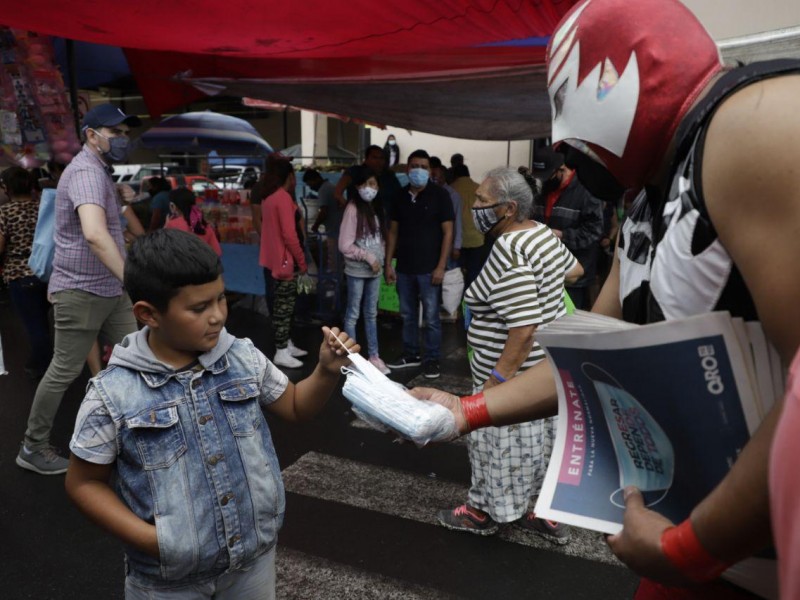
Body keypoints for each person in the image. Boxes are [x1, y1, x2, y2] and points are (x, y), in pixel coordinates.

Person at [412, 0, 800, 597]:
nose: (560, 141)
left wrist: (692, 549)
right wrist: (465, 412)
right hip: (703, 547)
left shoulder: (754, 120)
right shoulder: (649, 189)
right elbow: (591, 351)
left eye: (565, 103)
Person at [65, 228, 359, 600]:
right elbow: (83, 482)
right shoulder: (112, 393)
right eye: (199, 308)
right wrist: (155, 541)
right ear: (148, 314)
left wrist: (327, 370)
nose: (218, 316)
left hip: (252, 562)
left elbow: (298, 406)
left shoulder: (242, 357)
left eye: (221, 298)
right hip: (168, 580)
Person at [437, 167, 582, 543]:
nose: (476, 206)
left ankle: (481, 512)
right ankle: (541, 513)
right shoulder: (539, 234)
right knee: (539, 445)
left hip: (511, 375)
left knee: (494, 443)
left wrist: (494, 385)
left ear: (508, 208)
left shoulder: (509, 251)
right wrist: (547, 279)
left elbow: (523, 328)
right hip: (544, 374)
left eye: (483, 201)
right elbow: (576, 271)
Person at [16, 103, 141, 476]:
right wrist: (133, 278)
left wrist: (118, 196)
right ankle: (32, 446)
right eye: (116, 132)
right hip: (83, 289)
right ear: (92, 135)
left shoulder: (97, 172)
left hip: (108, 288)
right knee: (64, 371)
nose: (122, 139)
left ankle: (132, 431)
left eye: (124, 132)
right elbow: (93, 233)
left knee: (136, 356)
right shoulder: (86, 173)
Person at [384, 149, 454, 379]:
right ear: (407, 169)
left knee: (432, 317)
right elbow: (392, 232)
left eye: (424, 167)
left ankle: (432, 359)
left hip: (430, 268)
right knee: (408, 314)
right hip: (404, 267)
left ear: (430, 170)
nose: (419, 171)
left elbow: (448, 232)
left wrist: (441, 266)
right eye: (415, 166)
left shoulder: (440, 195)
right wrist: (388, 263)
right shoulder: (399, 195)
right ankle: (411, 353)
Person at [531, 147, 603, 311]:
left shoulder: (586, 190)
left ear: (561, 169)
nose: (544, 181)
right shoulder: (543, 189)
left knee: (565, 324)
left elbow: (595, 231)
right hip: (544, 273)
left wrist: (562, 236)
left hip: (573, 276)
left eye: (548, 176)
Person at [0, 167, 51, 380]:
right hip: (49, 271)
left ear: (6, 188)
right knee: (45, 320)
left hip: (20, 274)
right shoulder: (43, 208)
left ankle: (42, 365)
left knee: (34, 323)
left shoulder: (5, 212)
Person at [338, 166, 389, 374]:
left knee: (371, 313)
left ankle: (374, 356)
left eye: (373, 184)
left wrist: (381, 261)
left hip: (375, 271)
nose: (369, 188)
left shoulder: (376, 208)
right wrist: (368, 257)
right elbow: (344, 245)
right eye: (365, 184)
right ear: (357, 186)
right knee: (353, 314)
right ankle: (354, 361)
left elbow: (381, 240)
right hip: (358, 271)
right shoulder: (352, 209)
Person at [259, 158, 308, 369]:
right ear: (289, 176)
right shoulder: (283, 199)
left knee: (281, 304)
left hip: (273, 260)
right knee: (284, 307)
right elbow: (290, 235)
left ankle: (286, 344)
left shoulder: (268, 198)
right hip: (285, 262)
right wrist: (302, 261)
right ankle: (281, 350)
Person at [335, 145, 402, 226]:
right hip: (358, 222)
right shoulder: (355, 171)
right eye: (375, 157)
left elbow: (400, 197)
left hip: (385, 223)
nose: (378, 161)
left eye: (381, 158)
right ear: (366, 159)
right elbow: (337, 193)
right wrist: (350, 210)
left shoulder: (389, 176)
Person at [451, 162, 490, 290]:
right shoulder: (479, 189)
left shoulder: (451, 189)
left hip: (457, 241)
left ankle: (457, 301)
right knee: (473, 273)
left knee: (456, 274)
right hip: (477, 238)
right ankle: (470, 301)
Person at [164, 187, 222, 256]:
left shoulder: (171, 225)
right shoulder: (204, 225)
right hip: (203, 265)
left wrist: (165, 227)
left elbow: (163, 250)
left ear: (172, 206)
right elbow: (217, 252)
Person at [305, 168, 341, 273]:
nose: (310, 187)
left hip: (335, 229)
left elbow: (323, 211)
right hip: (336, 227)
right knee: (336, 257)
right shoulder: (329, 186)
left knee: (334, 257)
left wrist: (315, 226)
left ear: (315, 179)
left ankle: (335, 282)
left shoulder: (323, 190)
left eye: (310, 184)